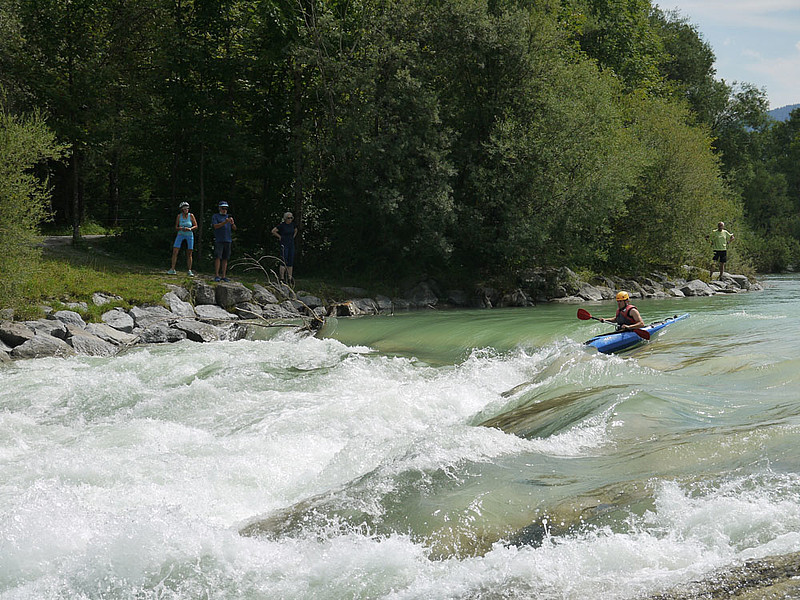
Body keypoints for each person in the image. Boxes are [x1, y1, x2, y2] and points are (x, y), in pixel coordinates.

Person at [168, 202, 197, 276]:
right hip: (180, 234)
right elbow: (176, 227)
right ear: (182, 209)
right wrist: (180, 228)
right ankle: (172, 269)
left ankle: (189, 270)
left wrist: (190, 229)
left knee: (189, 252)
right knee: (175, 250)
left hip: (189, 235)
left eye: (187, 208)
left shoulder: (191, 216)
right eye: (184, 208)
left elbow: (196, 225)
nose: (186, 210)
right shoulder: (179, 216)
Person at [211, 201, 236, 282]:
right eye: (223, 208)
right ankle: (217, 275)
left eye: (226, 208)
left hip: (228, 240)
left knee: (225, 258)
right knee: (218, 257)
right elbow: (215, 226)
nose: (224, 210)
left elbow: (235, 229)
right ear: (219, 208)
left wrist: (232, 223)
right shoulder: (216, 216)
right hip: (219, 240)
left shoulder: (229, 217)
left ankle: (224, 276)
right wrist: (224, 222)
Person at [271, 211, 297, 284]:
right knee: (283, 260)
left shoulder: (293, 225)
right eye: (288, 218)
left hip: (291, 244)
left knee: (290, 260)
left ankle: (290, 278)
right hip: (284, 244)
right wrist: (280, 237)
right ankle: (282, 278)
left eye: (291, 218)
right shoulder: (282, 225)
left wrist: (293, 237)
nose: (290, 219)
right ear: (285, 218)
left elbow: (295, 230)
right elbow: (273, 231)